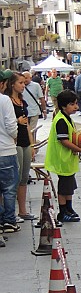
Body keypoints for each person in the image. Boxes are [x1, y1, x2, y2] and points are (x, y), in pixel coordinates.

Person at [44, 89, 81, 223]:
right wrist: (80, 149)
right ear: (64, 105)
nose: (76, 107)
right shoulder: (60, 120)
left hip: (68, 159)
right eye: (72, 104)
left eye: (76, 103)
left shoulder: (66, 118)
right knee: (64, 188)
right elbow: (64, 141)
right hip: (62, 159)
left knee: (70, 186)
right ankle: (63, 211)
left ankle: (69, 208)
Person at [6, 72, 35, 222]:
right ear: (12, 84)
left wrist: (32, 143)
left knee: (24, 177)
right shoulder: (7, 101)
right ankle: (12, 212)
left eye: (24, 83)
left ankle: (23, 210)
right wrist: (17, 121)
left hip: (24, 140)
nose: (23, 85)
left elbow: (28, 124)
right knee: (15, 178)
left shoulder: (22, 101)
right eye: (21, 83)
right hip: (14, 142)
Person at [0, 70, 19, 241]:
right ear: (2, 84)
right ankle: (9, 221)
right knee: (9, 188)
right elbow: (11, 125)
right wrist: (14, 137)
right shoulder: (4, 100)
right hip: (5, 150)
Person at [22, 71, 46, 144]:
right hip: (24, 112)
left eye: (26, 78)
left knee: (32, 130)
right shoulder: (20, 86)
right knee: (25, 131)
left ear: (30, 78)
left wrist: (44, 110)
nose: (25, 80)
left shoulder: (36, 85)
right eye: (23, 78)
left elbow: (41, 98)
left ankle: (32, 146)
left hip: (34, 112)